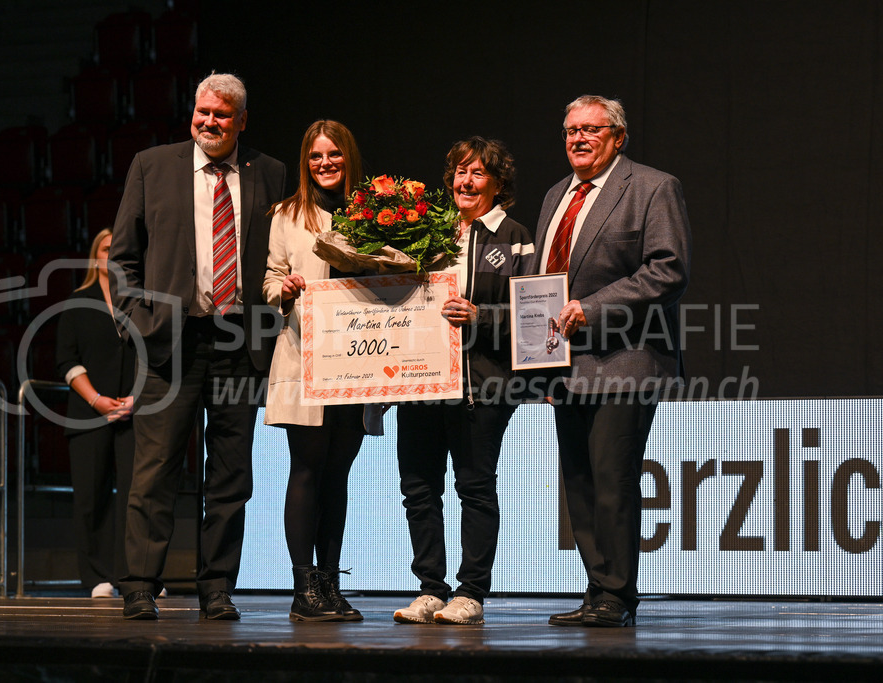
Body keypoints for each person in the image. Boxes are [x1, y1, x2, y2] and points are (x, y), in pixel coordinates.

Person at [108, 72, 287, 620]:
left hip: (240, 344)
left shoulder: (270, 172)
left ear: (241, 121)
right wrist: (137, 322)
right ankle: (140, 584)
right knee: (156, 469)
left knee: (230, 476)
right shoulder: (152, 165)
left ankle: (217, 588)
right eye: (202, 111)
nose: (209, 121)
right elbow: (123, 257)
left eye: (222, 114)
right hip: (170, 343)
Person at [526, 95, 691, 627]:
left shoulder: (651, 186)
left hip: (625, 359)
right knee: (578, 483)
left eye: (592, 129)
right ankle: (597, 589)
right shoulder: (556, 195)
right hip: (563, 363)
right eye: (571, 129)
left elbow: (668, 271)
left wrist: (592, 308)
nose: (578, 138)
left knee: (612, 477)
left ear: (618, 137)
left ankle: (617, 595)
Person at [393, 137, 534, 625]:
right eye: (459, 172)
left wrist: (482, 316)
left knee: (474, 488)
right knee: (419, 487)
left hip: (483, 385)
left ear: (498, 183)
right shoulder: (428, 232)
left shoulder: (515, 235)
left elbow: (536, 314)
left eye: (477, 173)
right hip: (421, 381)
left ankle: (470, 593)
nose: (465, 182)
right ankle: (431, 589)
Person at [263, 120, 384, 622]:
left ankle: (330, 585)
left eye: (333, 154)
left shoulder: (376, 212)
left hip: (357, 363)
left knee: (338, 475)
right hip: (304, 358)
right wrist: (283, 290)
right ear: (305, 162)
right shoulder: (287, 215)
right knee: (308, 470)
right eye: (316, 156)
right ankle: (302, 588)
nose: (325, 163)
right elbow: (270, 279)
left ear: (348, 157)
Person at [55, 228, 135, 599]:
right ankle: (96, 576)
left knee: (137, 496)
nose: (112, 255)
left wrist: (136, 397)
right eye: (106, 249)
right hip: (89, 413)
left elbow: (157, 354)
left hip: (137, 411)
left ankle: (135, 575)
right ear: (95, 256)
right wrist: (97, 400)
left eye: (119, 249)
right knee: (91, 497)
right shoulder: (77, 302)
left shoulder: (141, 299)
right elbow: (67, 360)